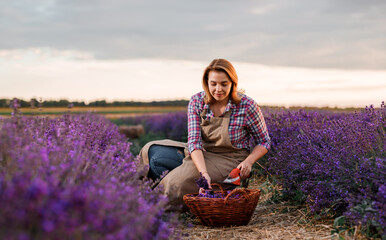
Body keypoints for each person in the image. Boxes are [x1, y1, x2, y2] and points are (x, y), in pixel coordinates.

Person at [139, 58, 271, 210]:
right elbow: (194, 142)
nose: (218, 89)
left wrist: (249, 161)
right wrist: (204, 173)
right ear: (207, 82)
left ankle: (148, 206)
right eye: (213, 83)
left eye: (224, 84)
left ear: (233, 83)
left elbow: (264, 141)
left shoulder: (247, 106)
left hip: (230, 159)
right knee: (152, 150)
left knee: (178, 182)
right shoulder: (197, 101)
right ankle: (134, 191)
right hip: (201, 154)